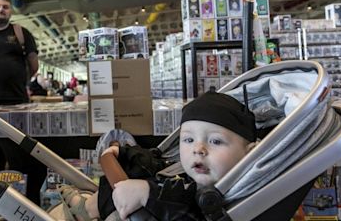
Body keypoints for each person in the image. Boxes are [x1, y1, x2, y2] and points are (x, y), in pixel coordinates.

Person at [60, 92, 257, 221]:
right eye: (188, 140)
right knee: (139, 171)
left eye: (215, 141)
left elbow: (188, 213)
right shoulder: (193, 175)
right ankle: (87, 208)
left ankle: (84, 210)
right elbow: (160, 164)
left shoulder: (225, 200)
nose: (198, 149)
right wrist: (126, 152)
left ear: (250, 152)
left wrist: (149, 194)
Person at [0, 0, 41, 201]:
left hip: (16, 103)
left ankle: (23, 199)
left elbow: (34, 64)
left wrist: (19, 82)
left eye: (5, 7)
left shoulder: (21, 33)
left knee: (19, 154)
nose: (1, 10)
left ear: (10, 11)